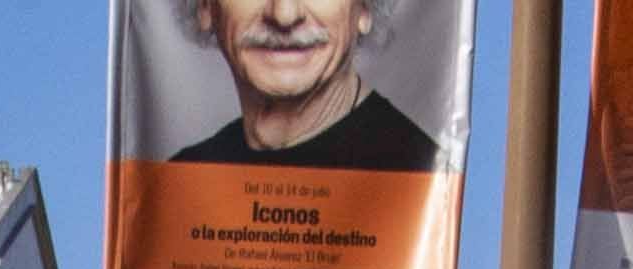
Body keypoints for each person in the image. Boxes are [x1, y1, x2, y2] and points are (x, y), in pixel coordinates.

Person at [169, 0, 440, 169]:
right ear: (205, 6)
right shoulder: (179, 183)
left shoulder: (423, 187)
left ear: (365, 8)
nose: (284, 15)